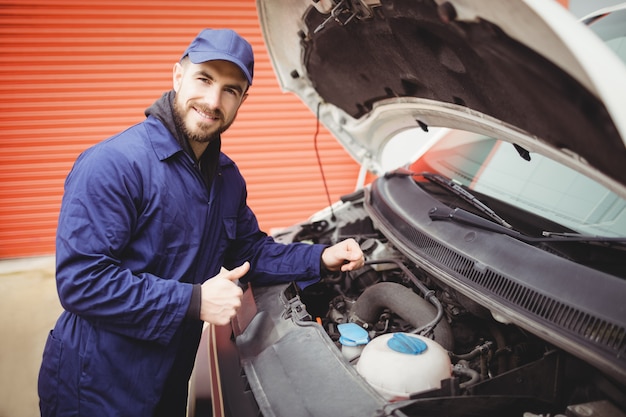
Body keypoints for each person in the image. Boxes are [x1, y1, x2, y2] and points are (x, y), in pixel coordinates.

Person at [37, 28, 364, 417]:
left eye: (230, 89)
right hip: (96, 384)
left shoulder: (226, 178)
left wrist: (320, 257)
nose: (212, 101)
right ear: (178, 76)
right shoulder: (114, 165)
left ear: (243, 99)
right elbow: (81, 281)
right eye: (204, 79)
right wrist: (194, 300)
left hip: (169, 379)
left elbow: (250, 252)